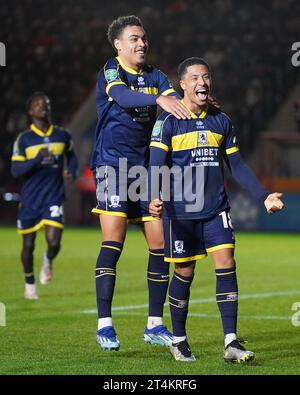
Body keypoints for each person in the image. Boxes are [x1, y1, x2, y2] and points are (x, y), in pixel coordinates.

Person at [148, 57, 284, 362]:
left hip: (215, 209)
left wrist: (263, 196)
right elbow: (156, 163)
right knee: (184, 270)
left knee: (226, 262)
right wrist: (153, 196)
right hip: (180, 212)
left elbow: (236, 164)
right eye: (194, 77)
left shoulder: (221, 120)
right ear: (182, 84)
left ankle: (231, 341)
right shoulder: (167, 121)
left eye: (206, 77)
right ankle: (179, 340)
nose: (202, 82)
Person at [90, 15, 194, 351]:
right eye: (134, 38)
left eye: (144, 38)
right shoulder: (112, 70)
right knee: (114, 240)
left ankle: (154, 324)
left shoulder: (157, 76)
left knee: (160, 244)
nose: (141, 43)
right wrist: (157, 100)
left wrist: (199, 105)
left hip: (148, 170)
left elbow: (176, 103)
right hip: (112, 166)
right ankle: (105, 324)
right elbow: (122, 97)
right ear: (118, 44)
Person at [11, 92, 78, 300]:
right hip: (30, 200)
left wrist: (72, 171)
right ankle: (29, 282)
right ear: (30, 111)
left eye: (46, 103)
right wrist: (36, 160)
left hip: (54, 196)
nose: (43, 106)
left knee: (54, 242)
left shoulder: (62, 135)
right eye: (38, 104)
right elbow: (15, 170)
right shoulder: (24, 139)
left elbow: (72, 157)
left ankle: (48, 259)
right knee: (28, 245)